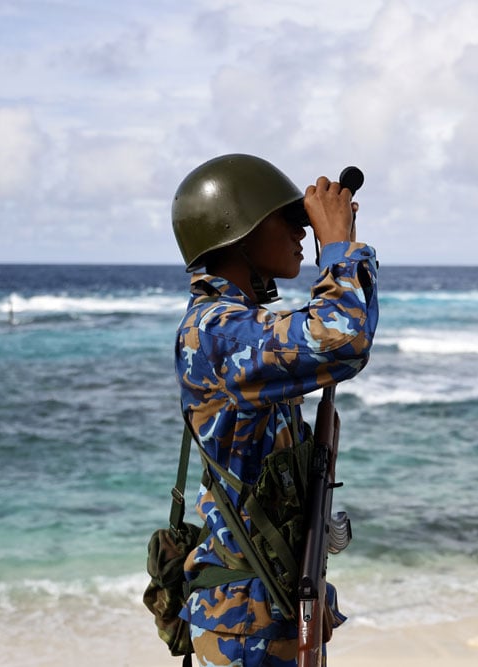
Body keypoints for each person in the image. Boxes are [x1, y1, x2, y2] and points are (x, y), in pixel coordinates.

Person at [170, 154, 379, 667]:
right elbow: (343, 338)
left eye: (301, 222)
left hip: (270, 608)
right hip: (245, 626)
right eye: (286, 221)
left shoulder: (241, 323)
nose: (299, 234)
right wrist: (338, 247)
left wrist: (341, 247)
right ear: (238, 234)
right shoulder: (215, 332)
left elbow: (337, 333)